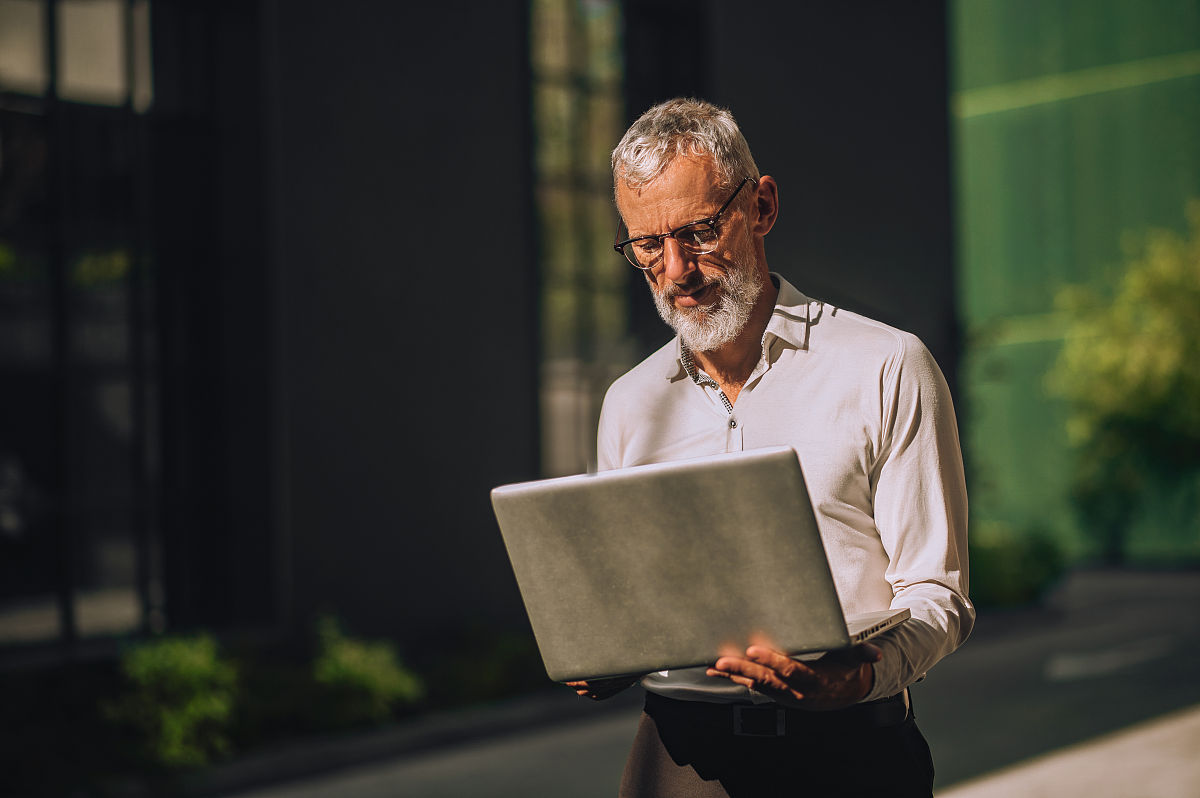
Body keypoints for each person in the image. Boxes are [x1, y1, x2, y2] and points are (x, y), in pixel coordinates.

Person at [565, 98, 974, 797]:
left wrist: (861, 675)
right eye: (646, 247)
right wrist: (607, 649)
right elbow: (632, 595)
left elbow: (938, 594)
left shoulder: (885, 367)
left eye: (696, 232)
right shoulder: (631, 404)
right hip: (677, 761)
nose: (676, 270)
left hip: (848, 756)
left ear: (761, 207)